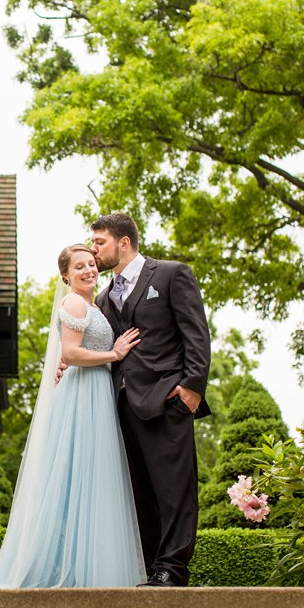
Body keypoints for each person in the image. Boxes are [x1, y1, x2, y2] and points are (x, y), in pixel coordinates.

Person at [0, 244, 145, 588]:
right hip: (82, 394)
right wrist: (114, 353)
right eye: (79, 266)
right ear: (65, 275)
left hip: (96, 391)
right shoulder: (73, 302)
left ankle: (85, 565)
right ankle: (60, 567)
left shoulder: (95, 306)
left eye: (92, 264)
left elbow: (72, 352)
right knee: (75, 472)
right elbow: (70, 351)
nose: (88, 270)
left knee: (91, 477)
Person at [90, 213, 211, 587]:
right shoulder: (102, 296)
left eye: (100, 242)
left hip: (167, 400)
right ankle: (152, 568)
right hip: (122, 406)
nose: (94, 250)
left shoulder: (171, 274)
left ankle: (173, 568)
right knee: (138, 492)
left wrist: (192, 388)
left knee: (174, 489)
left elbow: (197, 333)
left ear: (123, 242)